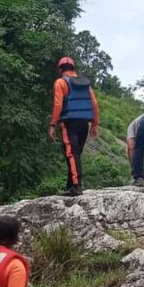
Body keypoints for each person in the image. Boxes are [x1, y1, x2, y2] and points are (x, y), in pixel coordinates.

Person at [48, 56, 100, 197]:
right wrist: (95, 124)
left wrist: (52, 124)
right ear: (73, 69)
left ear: (60, 70)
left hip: (69, 123)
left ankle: (76, 186)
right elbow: (95, 104)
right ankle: (70, 185)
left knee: (72, 154)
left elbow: (58, 104)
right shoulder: (85, 84)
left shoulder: (60, 82)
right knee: (75, 155)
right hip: (84, 123)